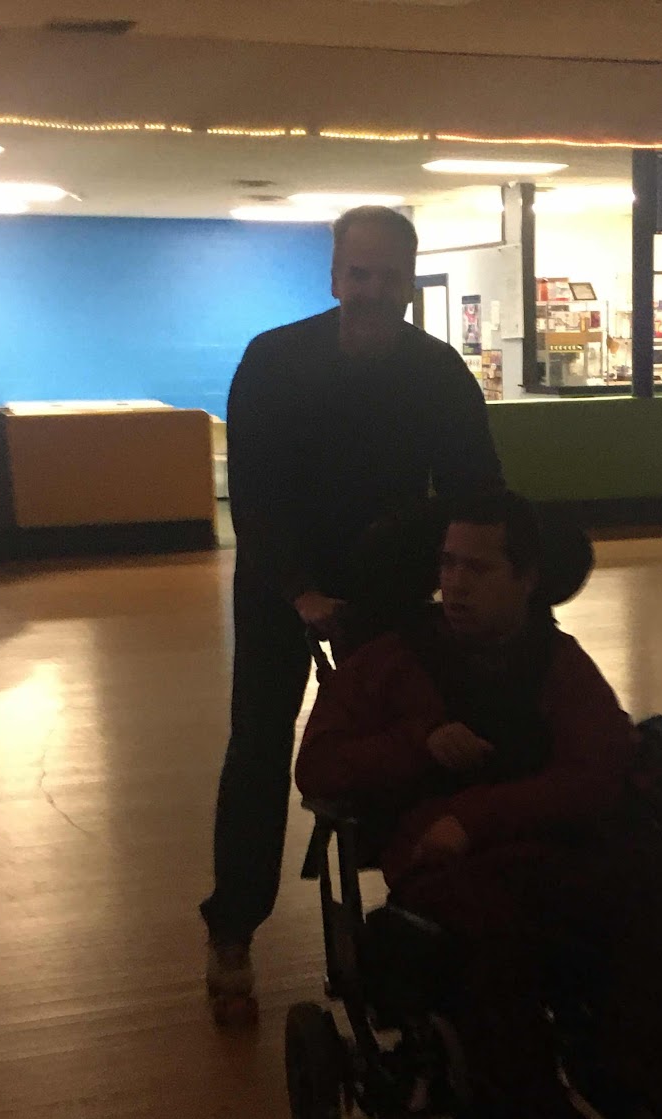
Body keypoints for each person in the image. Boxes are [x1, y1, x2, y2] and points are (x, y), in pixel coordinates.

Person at [295, 491, 662, 1119]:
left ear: (527, 579)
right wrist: (417, 745)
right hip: (448, 870)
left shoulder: (558, 664)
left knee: (661, 888)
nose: (455, 585)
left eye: (478, 569)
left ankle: (640, 1087)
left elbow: (597, 773)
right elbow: (318, 768)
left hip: (547, 851)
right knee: (492, 933)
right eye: (447, 565)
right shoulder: (392, 662)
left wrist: (474, 815)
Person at [201, 205, 502, 1014]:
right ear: (335, 277)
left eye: (387, 277)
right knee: (259, 746)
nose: (370, 291)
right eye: (357, 274)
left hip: (387, 587)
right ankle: (233, 930)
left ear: (409, 284)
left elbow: (476, 490)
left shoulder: (438, 374)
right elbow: (255, 497)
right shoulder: (273, 360)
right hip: (279, 585)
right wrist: (300, 593)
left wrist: (484, 579)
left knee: (409, 744)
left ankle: (414, 910)